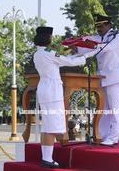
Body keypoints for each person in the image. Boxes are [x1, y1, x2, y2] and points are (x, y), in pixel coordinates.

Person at [33, 26, 97, 168]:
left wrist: (77, 55)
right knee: (52, 127)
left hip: (44, 89)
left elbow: (63, 59)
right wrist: (87, 56)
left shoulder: (38, 53)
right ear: (48, 39)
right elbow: (69, 62)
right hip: (52, 91)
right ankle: (48, 159)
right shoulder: (49, 53)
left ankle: (46, 158)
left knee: (47, 126)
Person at [76, 14, 119, 146]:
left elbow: (105, 47)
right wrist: (75, 46)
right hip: (101, 77)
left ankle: (113, 137)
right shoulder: (98, 38)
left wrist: (87, 49)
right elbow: (85, 44)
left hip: (114, 77)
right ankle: (102, 135)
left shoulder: (115, 36)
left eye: (101, 26)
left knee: (114, 109)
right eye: (97, 26)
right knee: (103, 109)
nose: (99, 29)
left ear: (108, 25)